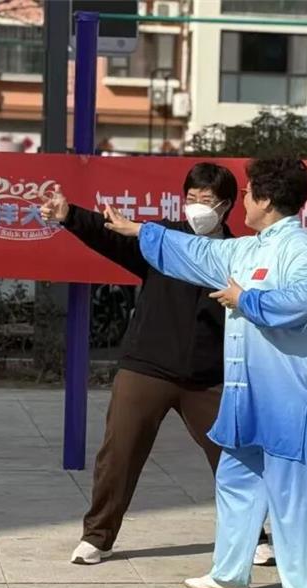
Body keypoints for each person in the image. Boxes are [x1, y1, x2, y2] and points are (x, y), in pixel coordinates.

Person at [103, 157, 307, 588]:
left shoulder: (298, 249)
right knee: (237, 480)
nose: (244, 201)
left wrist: (244, 300)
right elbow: (199, 253)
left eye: (249, 193)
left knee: (297, 495)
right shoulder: (249, 248)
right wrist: (139, 231)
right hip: (247, 393)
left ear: (266, 200)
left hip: (290, 397)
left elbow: (302, 301)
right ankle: (231, 573)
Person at [40, 163, 272, 565]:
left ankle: (254, 536)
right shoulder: (162, 239)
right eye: (191, 198)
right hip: (147, 366)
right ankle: (97, 536)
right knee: (119, 453)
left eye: (207, 200)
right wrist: (69, 215)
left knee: (235, 457)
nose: (197, 207)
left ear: (226, 206)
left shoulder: (238, 254)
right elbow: (112, 236)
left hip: (209, 377)